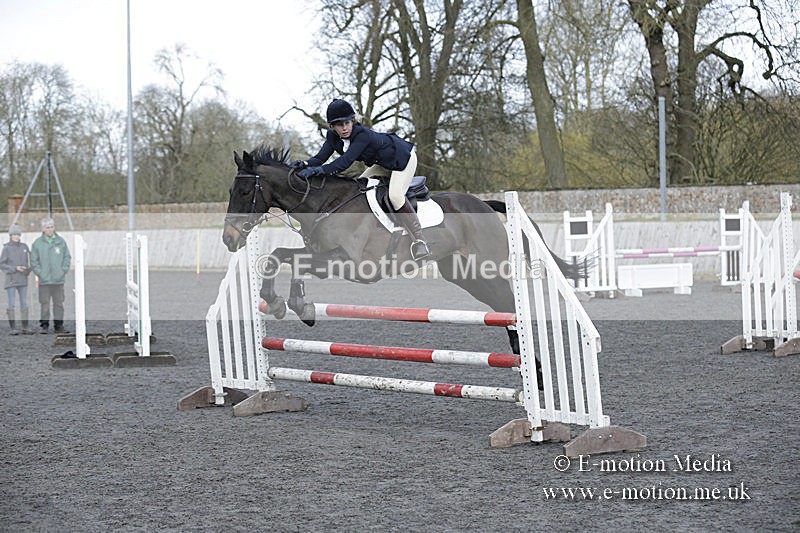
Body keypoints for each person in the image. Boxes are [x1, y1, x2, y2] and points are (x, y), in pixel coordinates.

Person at [290, 99, 431, 260]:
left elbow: (344, 163)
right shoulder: (332, 137)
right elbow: (321, 157)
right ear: (332, 126)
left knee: (395, 196)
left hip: (402, 160)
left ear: (352, 121)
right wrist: (305, 164)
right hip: (383, 163)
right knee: (358, 189)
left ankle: (420, 240)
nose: (344, 128)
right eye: (338, 124)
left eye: (347, 123)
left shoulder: (362, 135)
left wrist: (319, 171)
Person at [30, 218, 71, 334]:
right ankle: (44, 325)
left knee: (59, 303)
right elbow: (34, 261)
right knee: (45, 304)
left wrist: (62, 271)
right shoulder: (37, 243)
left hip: (58, 280)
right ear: (43, 229)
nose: (50, 229)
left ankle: (59, 325)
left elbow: (67, 257)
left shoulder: (61, 241)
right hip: (44, 281)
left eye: (52, 227)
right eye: (47, 227)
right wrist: (40, 273)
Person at [0, 224, 32, 335]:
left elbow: (30, 261)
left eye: (18, 234)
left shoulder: (24, 247)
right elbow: (2, 264)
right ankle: (13, 328)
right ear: (10, 235)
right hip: (11, 280)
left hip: (23, 280)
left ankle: (25, 327)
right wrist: (15, 268)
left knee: (24, 303)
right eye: (14, 234)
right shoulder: (6, 248)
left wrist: (28, 269)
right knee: (11, 304)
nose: (16, 236)